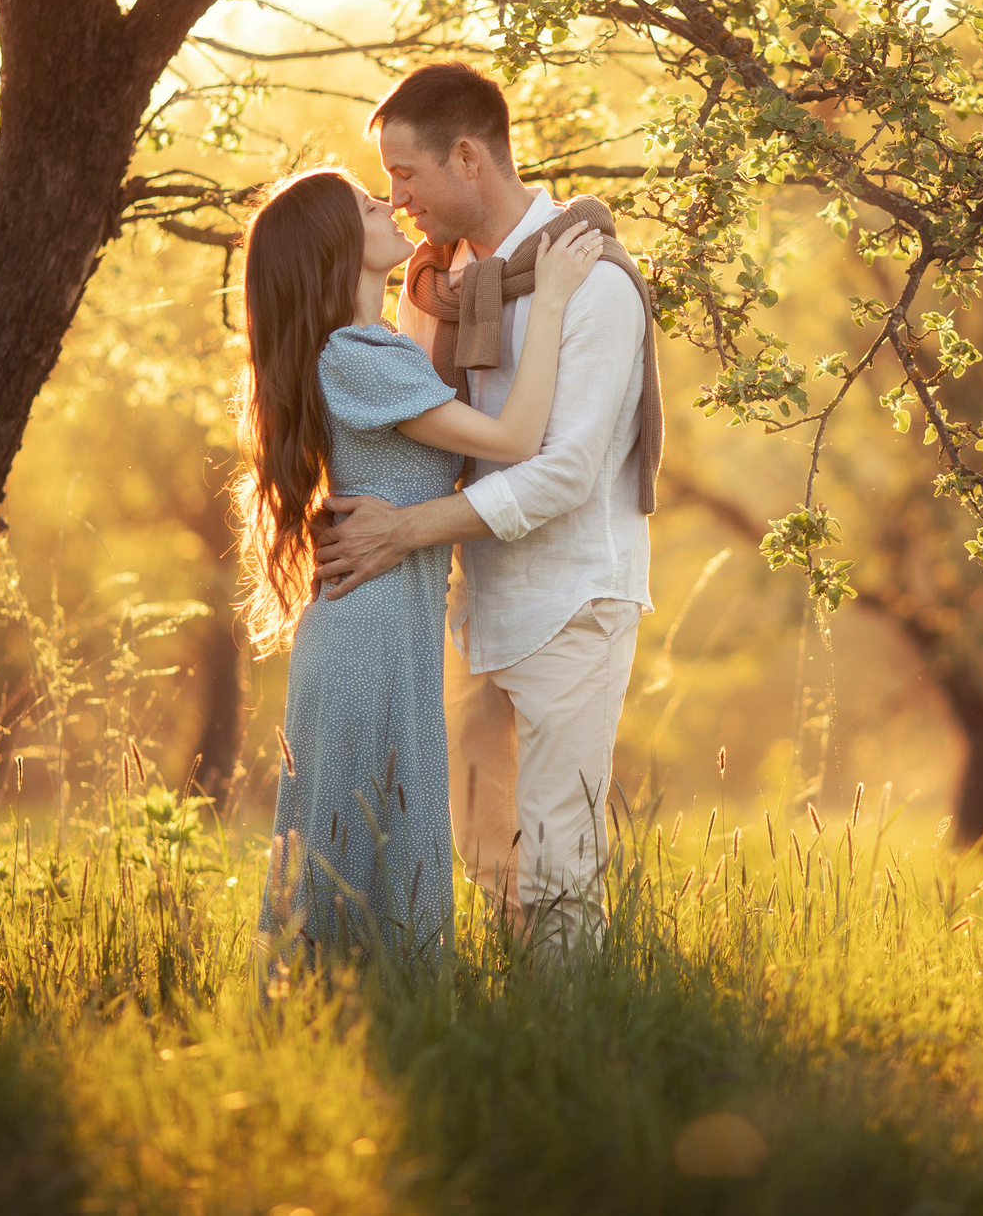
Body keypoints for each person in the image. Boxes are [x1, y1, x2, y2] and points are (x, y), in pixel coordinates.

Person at [315, 63, 663, 947]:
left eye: (405, 175)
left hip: (573, 599)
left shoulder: (592, 281)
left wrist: (404, 531)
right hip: (478, 602)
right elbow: (422, 433)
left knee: (556, 861)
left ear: (467, 157)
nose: (396, 200)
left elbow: (563, 473)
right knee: (480, 852)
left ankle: (576, 1054)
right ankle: (509, 1035)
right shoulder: (433, 283)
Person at [237, 166, 603, 956]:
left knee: (365, 846)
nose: (391, 203)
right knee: (361, 850)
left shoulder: (366, 351)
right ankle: (345, 1025)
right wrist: (556, 299)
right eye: (372, 206)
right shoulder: (361, 356)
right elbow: (513, 440)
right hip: (369, 635)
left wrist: (440, 279)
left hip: (382, 627)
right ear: (339, 247)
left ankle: (345, 1025)